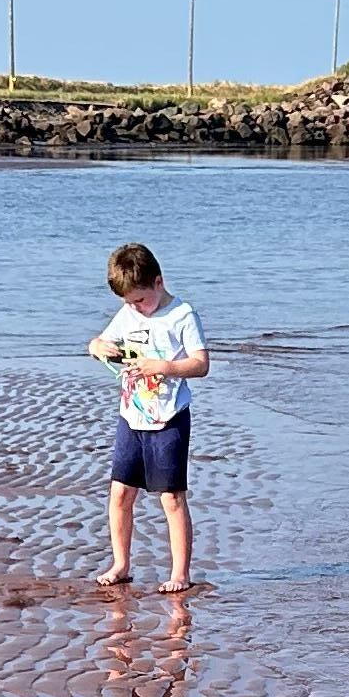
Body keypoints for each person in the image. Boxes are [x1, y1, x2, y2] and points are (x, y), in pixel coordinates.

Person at [86, 240, 207, 590]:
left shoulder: (182, 315)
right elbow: (99, 342)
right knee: (120, 493)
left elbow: (201, 364)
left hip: (168, 417)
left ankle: (179, 574)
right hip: (131, 416)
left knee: (170, 496)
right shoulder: (128, 314)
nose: (136, 308)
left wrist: (165, 366)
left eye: (140, 299)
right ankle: (121, 563)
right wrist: (97, 347)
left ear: (158, 282)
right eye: (128, 302)